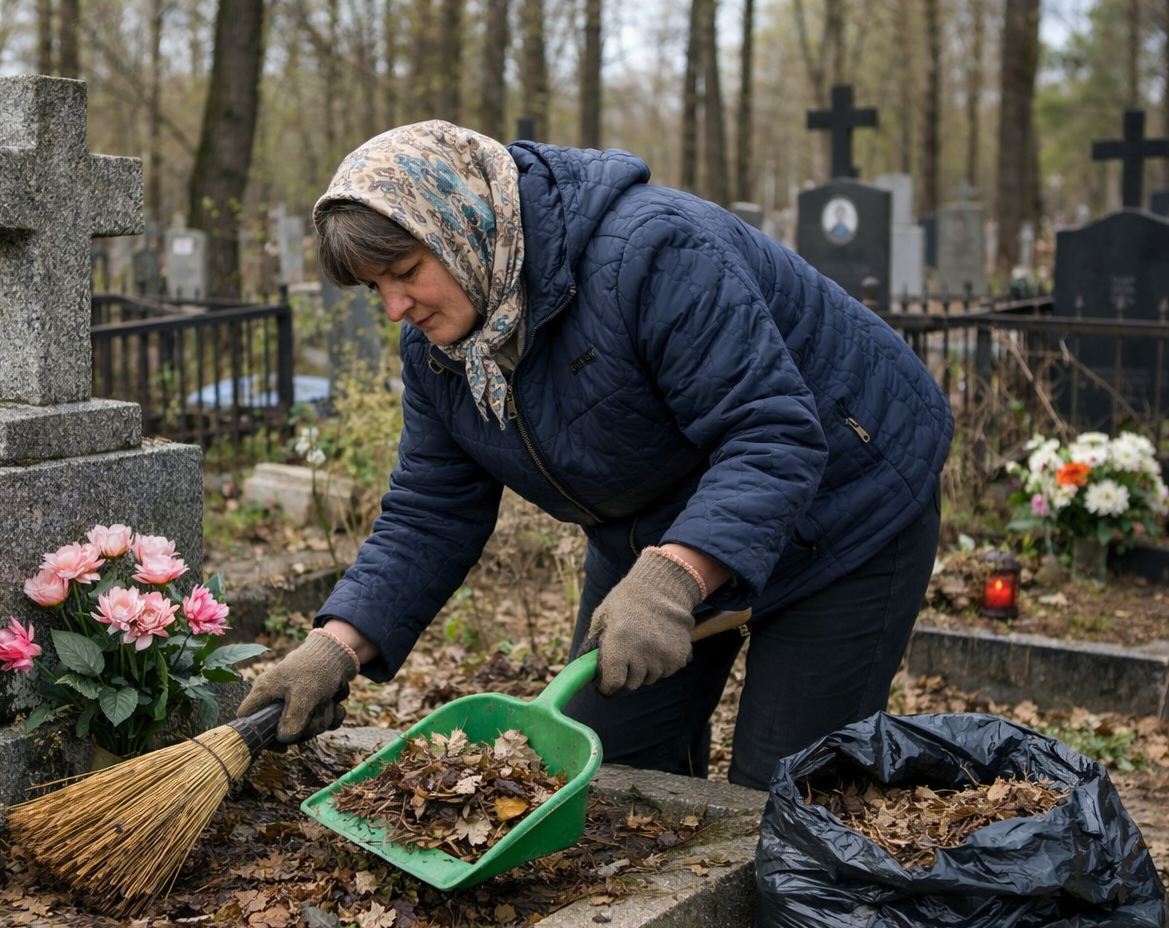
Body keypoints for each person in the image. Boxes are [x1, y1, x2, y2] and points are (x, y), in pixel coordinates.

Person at [236, 121, 954, 789]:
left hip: (847, 499)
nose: (396, 307)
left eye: (405, 270)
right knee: (607, 767)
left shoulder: (651, 253)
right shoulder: (442, 352)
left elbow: (771, 435)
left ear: (460, 226)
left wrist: (676, 577)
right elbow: (432, 511)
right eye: (375, 289)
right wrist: (336, 644)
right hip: (657, 528)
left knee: (786, 791)